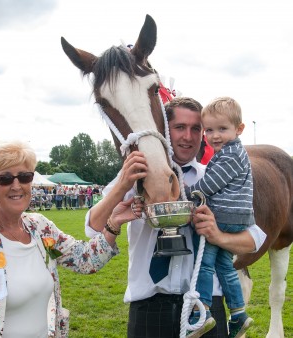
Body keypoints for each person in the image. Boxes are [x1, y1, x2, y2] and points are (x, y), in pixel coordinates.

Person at [84, 97, 266, 338]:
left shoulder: (212, 177)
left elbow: (255, 238)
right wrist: (122, 185)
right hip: (150, 306)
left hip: (207, 307)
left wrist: (218, 236)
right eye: (180, 127)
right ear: (164, 131)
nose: (188, 137)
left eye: (196, 129)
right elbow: (92, 228)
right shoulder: (135, 173)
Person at [0, 140, 144, 338]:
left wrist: (113, 223)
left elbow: (84, 260)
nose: (17, 185)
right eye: (5, 179)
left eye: (25, 177)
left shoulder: (40, 228)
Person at [185, 97, 254, 337]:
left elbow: (210, 184)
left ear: (239, 129)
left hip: (224, 215)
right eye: (210, 130)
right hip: (237, 217)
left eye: (222, 129)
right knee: (225, 266)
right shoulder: (232, 152)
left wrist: (184, 193)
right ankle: (238, 313)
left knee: (204, 262)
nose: (215, 136)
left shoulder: (230, 155)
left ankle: (202, 311)